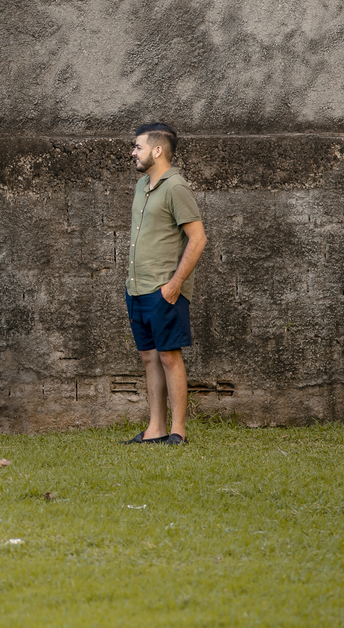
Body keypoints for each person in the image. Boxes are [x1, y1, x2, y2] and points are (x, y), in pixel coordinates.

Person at [122, 124, 206, 446]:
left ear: (157, 150)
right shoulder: (142, 185)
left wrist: (174, 285)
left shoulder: (176, 188)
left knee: (170, 357)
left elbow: (198, 239)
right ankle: (155, 428)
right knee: (149, 358)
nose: (133, 152)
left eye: (138, 147)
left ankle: (178, 431)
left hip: (164, 291)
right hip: (136, 290)